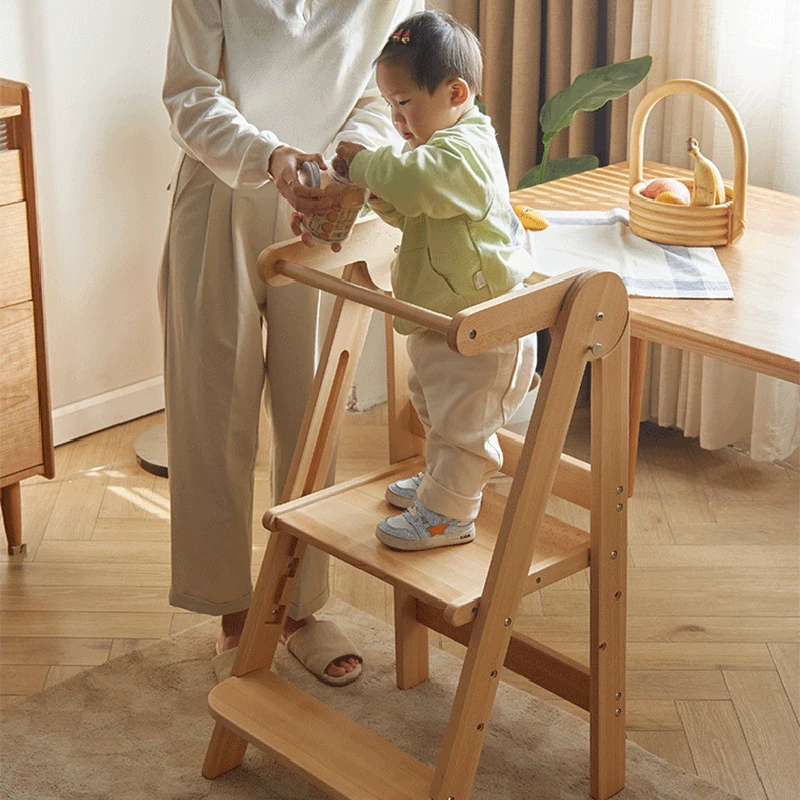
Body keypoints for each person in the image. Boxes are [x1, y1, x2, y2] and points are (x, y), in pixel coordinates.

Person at [159, 0, 422, 686]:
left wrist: (344, 163)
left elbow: (379, 92)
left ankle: (299, 605)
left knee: (312, 408)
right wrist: (267, 155)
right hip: (222, 188)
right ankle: (230, 611)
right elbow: (189, 94)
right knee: (212, 409)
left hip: (327, 199)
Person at [332, 11, 538, 551]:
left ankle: (450, 515)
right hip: (448, 322)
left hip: (486, 328)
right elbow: (416, 211)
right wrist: (381, 195)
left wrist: (365, 168)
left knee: (461, 428)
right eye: (389, 104)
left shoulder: (464, 151)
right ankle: (442, 481)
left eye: (404, 103)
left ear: (455, 92)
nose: (397, 118)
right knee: (433, 407)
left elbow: (415, 182)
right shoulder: (436, 149)